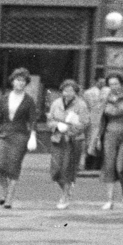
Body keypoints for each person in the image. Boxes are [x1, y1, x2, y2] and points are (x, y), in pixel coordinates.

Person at [0, 67, 36, 208]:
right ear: (12, 81)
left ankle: (9, 199)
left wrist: (33, 135)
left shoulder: (29, 100)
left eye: (23, 81)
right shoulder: (4, 98)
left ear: (26, 83)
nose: (20, 83)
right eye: (17, 80)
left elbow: (32, 119)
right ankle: (5, 191)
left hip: (20, 137)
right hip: (4, 135)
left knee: (13, 168)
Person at [46, 79, 88, 209]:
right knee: (56, 170)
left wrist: (72, 128)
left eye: (70, 90)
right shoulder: (56, 103)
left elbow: (85, 123)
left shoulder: (81, 105)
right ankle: (67, 188)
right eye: (65, 90)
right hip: (58, 139)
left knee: (67, 169)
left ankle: (64, 196)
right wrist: (57, 125)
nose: (67, 93)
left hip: (74, 140)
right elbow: (49, 120)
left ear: (76, 92)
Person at [97, 73, 123, 209]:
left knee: (120, 166)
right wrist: (97, 138)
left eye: (116, 83)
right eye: (111, 84)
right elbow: (100, 118)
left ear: (121, 84)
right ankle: (109, 200)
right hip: (109, 134)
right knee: (109, 165)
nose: (113, 86)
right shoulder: (105, 98)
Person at [82, 75, 106, 170]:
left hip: (103, 120)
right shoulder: (88, 93)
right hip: (92, 119)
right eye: (100, 82)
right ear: (96, 81)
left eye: (104, 82)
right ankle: (89, 164)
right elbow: (85, 106)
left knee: (99, 141)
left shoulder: (107, 92)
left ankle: (98, 164)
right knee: (91, 141)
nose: (102, 84)